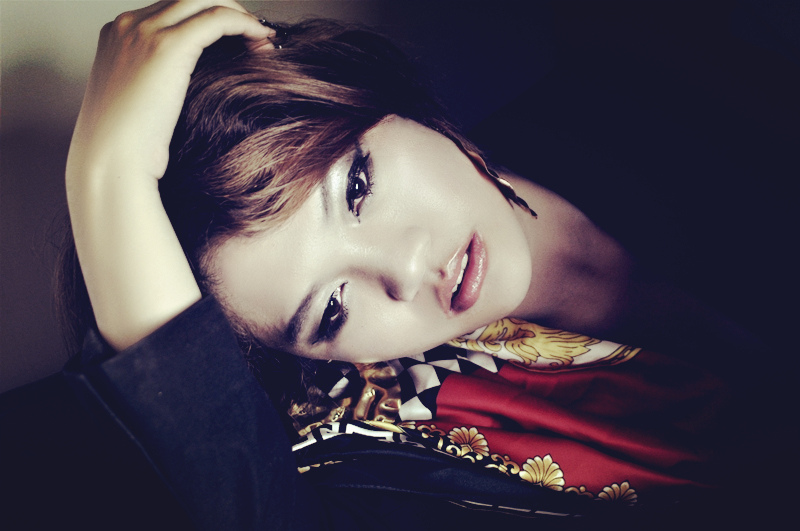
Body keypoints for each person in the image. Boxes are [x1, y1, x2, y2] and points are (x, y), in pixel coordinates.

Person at [9, 0, 795, 528]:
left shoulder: (649, 82)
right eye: (331, 310)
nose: (409, 268)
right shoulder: (381, 455)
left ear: (362, 96)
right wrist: (106, 176)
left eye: (356, 187)